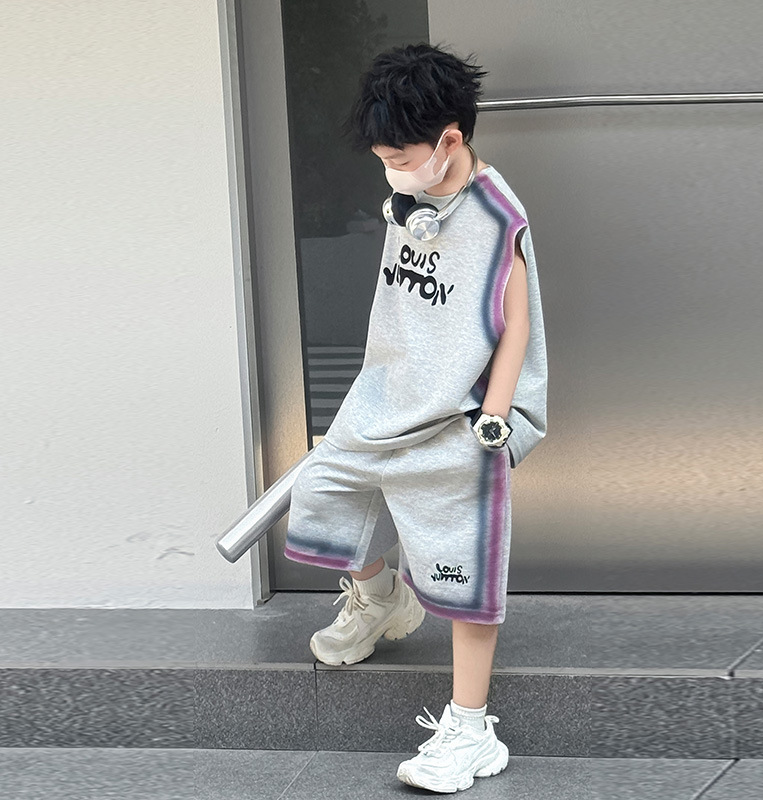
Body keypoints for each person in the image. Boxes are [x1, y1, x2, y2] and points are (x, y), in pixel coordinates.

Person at [284, 42, 547, 793]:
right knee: (321, 497)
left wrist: (495, 413)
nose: (390, 171)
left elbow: (516, 325)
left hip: (461, 412)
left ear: (450, 141)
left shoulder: (497, 217)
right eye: (383, 159)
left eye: (399, 158)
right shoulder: (410, 195)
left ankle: (471, 729)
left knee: (463, 572)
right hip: (387, 394)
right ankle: (381, 598)